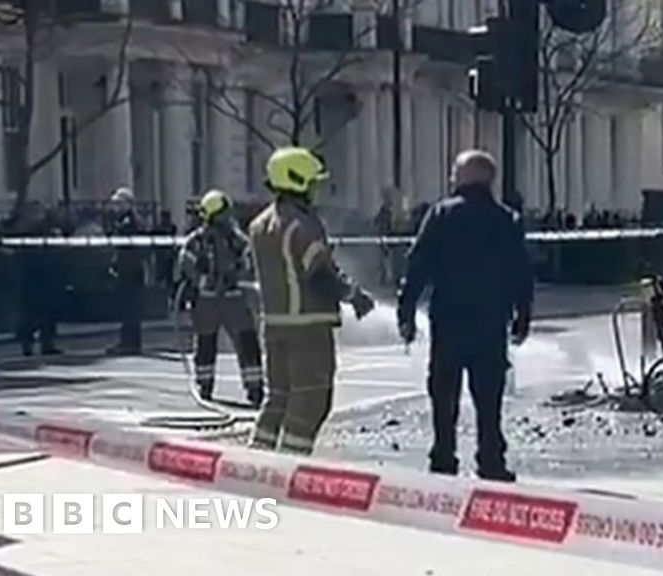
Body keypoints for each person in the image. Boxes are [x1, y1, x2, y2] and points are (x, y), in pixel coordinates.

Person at [397, 149, 534, 482]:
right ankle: (491, 459)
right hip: (490, 323)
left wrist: (406, 311)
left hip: (449, 320)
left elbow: (418, 265)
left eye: (454, 172)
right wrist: (523, 316)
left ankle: (443, 456)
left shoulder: (441, 215)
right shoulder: (507, 219)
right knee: (489, 397)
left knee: (444, 394)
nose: (450, 178)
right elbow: (522, 273)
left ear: (465, 177)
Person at [248, 147, 376, 455]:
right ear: (299, 181)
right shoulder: (302, 225)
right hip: (308, 327)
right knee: (311, 400)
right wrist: (352, 295)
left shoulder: (259, 224)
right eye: (312, 182)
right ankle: (289, 465)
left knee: (277, 399)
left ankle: (254, 460)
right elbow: (319, 275)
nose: (315, 189)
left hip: (274, 325)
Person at [176, 190, 265, 407]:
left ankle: (255, 388)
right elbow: (185, 265)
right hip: (208, 300)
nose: (228, 219)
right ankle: (205, 384)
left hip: (233, 297)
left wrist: (235, 274)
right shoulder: (196, 241)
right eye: (223, 214)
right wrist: (203, 280)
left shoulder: (237, 240)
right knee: (206, 343)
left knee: (247, 342)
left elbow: (249, 263)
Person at [13, 202, 61, 357]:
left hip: (44, 276)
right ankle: (30, 343)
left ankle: (45, 343)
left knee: (45, 312)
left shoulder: (47, 231)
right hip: (33, 277)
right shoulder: (28, 231)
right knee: (32, 312)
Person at [105, 187, 145, 356]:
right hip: (126, 267)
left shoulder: (131, 222)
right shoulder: (124, 220)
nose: (116, 207)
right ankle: (129, 341)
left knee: (130, 308)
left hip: (131, 269)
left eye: (120, 203)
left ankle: (130, 343)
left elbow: (124, 243)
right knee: (128, 307)